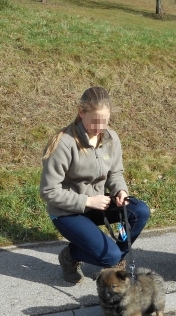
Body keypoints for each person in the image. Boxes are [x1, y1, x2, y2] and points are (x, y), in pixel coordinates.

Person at [40, 86, 150, 283]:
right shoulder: (63, 143)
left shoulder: (111, 138)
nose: (101, 127)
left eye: (105, 121)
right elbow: (49, 191)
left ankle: (118, 257)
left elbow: (115, 172)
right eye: (95, 121)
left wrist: (120, 190)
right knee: (110, 255)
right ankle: (71, 255)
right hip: (67, 213)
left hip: (99, 204)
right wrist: (88, 201)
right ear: (81, 113)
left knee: (139, 211)